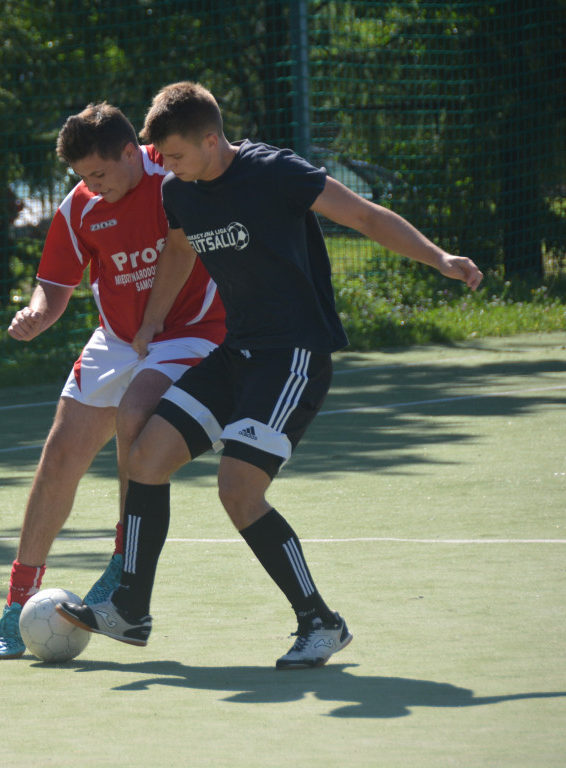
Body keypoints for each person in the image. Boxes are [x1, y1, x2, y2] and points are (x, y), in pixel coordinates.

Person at [57, 81, 483, 669]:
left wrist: (439, 258)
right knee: (146, 456)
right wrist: (153, 321)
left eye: (175, 155)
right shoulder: (182, 191)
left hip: (294, 356)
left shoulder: (276, 173)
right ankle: (130, 608)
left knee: (237, 488)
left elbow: (363, 215)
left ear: (212, 139)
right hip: (239, 353)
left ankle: (320, 623)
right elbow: (180, 252)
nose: (167, 167)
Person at [0, 102, 227, 659]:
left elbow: (188, 246)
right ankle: (15, 601)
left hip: (189, 332)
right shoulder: (81, 207)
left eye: (99, 174)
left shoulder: (174, 174)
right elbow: (54, 285)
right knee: (58, 456)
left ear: (130, 153)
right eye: (82, 179)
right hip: (119, 339)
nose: (91, 187)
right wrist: (36, 315)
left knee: (134, 418)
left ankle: (124, 565)